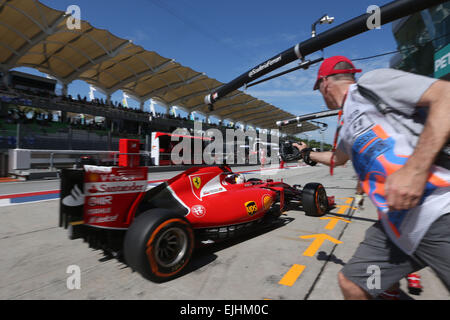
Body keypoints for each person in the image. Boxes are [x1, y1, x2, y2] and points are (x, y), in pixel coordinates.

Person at [293, 55, 450, 299]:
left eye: (319, 89)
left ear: (324, 83)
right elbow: (337, 158)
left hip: (438, 208)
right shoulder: (345, 125)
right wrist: (307, 153)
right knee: (353, 284)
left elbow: (445, 95)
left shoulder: (371, 84)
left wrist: (416, 169)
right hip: (396, 227)